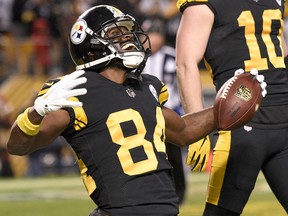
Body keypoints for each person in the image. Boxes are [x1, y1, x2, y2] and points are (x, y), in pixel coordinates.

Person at [6, 5, 264, 216]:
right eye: (117, 33)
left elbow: (183, 131)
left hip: (166, 209)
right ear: (91, 45)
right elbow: (18, 147)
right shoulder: (76, 92)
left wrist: (228, 107)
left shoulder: (147, 87)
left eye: (129, 32)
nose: (129, 38)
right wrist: (35, 112)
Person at [175, 0, 288, 215]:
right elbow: (186, 62)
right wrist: (195, 127)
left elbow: (280, 53)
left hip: (281, 119)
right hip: (240, 121)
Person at [142, 16, 187, 204]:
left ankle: (179, 193)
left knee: (174, 156)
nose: (151, 40)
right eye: (148, 35)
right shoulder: (136, 57)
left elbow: (183, 82)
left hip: (169, 111)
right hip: (145, 113)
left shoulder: (172, 55)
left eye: (154, 35)